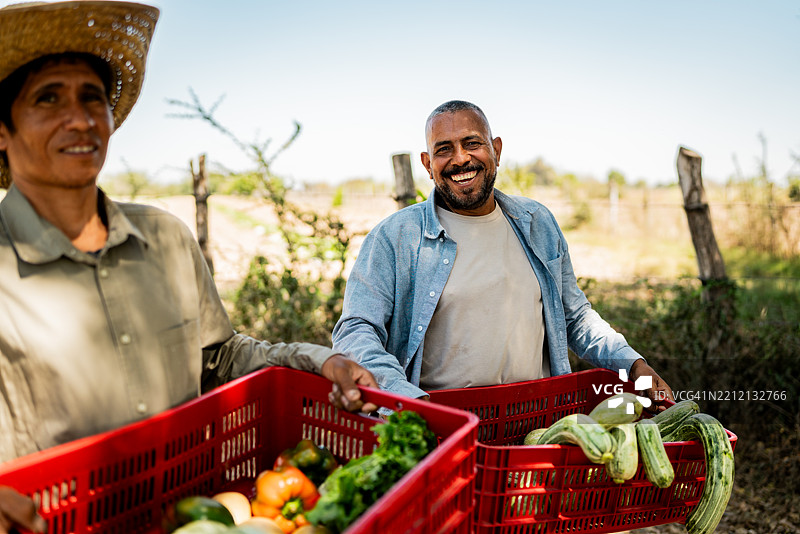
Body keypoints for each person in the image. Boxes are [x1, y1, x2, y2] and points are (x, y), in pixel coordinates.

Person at [0, 2, 376, 531]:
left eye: (93, 97)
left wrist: (319, 361)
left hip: (192, 517)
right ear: (2, 130)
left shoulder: (165, 238)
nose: (81, 119)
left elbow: (219, 358)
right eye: (48, 98)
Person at [332, 99, 674, 411]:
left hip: (536, 423)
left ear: (495, 149)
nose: (461, 158)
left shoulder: (537, 223)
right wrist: (408, 401)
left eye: (472, 143)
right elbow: (356, 331)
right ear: (427, 163)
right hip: (440, 427)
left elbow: (575, 318)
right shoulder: (395, 238)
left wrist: (632, 364)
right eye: (444, 149)